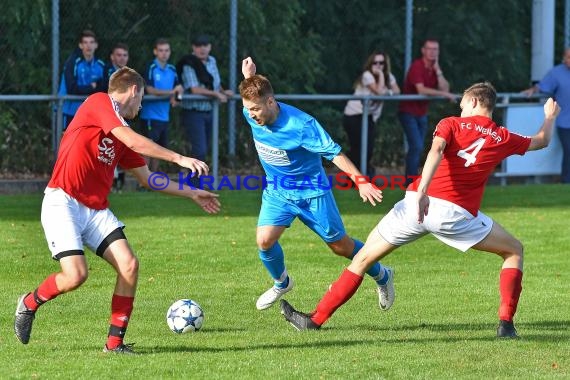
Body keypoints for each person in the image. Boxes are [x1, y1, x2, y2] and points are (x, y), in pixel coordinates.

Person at [280, 82, 560, 339]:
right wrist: (549, 116)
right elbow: (542, 140)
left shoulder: (451, 124)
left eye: (462, 104)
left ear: (474, 101)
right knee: (513, 249)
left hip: (415, 204)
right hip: (455, 215)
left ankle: (315, 320)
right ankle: (506, 325)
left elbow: (436, 150)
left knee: (363, 258)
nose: (460, 110)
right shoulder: (502, 137)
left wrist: (424, 190)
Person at [14, 67, 221, 354]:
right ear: (134, 90)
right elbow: (135, 141)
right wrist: (179, 158)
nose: (142, 104)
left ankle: (114, 344)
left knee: (129, 265)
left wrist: (192, 193)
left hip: (95, 210)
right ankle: (29, 303)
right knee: (75, 276)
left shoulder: (120, 132)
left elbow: (149, 178)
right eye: (143, 97)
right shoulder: (99, 102)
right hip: (64, 201)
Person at [239, 57, 393, 312]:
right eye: (248, 109)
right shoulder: (253, 112)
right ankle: (282, 282)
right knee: (264, 240)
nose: (251, 115)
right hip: (278, 192)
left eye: (255, 109)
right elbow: (253, 93)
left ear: (271, 101)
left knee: (340, 247)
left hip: (313, 193)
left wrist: (360, 181)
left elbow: (334, 153)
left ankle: (382, 275)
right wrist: (248, 78)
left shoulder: (302, 125)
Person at [398, 38, 456, 184]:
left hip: (421, 113)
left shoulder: (434, 69)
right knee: (416, 146)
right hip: (408, 112)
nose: (432, 52)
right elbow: (421, 89)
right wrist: (444, 95)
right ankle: (410, 181)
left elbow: (445, 88)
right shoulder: (417, 66)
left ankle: (413, 180)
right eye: (429, 49)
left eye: (435, 49)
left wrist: (438, 71)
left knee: (418, 147)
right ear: (423, 50)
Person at [177, 34, 233, 163]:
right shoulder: (188, 63)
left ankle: (196, 182)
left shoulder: (212, 61)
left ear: (210, 47)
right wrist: (216, 94)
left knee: (205, 149)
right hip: (194, 113)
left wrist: (223, 91)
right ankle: (193, 183)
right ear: (193, 47)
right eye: (198, 46)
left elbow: (214, 83)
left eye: (205, 46)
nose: (202, 49)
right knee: (199, 151)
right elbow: (194, 89)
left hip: (210, 111)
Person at [343, 51, 400, 177]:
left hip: (369, 117)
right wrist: (380, 76)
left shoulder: (388, 76)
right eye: (375, 63)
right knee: (357, 148)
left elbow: (397, 90)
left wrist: (388, 90)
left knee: (368, 148)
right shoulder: (367, 75)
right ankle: (353, 177)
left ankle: (362, 175)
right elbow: (379, 92)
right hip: (354, 115)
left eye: (381, 63)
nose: (378, 65)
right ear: (370, 64)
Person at [522, 47, 570, 183]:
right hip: (565, 122)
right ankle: (567, 182)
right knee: (569, 152)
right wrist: (533, 89)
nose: (567, 60)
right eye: (566, 57)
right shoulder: (556, 73)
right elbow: (543, 86)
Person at [139, 38, 184, 173]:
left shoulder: (172, 69)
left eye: (166, 50)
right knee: (147, 149)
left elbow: (179, 88)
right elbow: (150, 90)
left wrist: (178, 99)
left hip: (164, 116)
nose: (164, 53)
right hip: (150, 116)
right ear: (155, 52)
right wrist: (171, 93)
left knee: (159, 149)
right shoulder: (151, 67)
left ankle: (152, 181)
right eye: (161, 50)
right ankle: (144, 181)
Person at [58, 30, 106, 129]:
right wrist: (92, 87)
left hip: (91, 113)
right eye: (85, 42)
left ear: (96, 45)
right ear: (80, 45)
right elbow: (72, 89)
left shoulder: (101, 65)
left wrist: (92, 88)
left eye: (91, 42)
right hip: (70, 111)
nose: (89, 46)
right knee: (67, 143)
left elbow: (103, 89)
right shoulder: (72, 63)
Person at [104, 42, 130, 191]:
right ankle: (111, 183)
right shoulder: (108, 72)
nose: (121, 58)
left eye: (124, 55)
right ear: (112, 57)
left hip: (122, 115)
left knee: (121, 148)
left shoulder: (128, 73)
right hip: (109, 116)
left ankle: (119, 182)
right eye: (118, 55)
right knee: (109, 148)